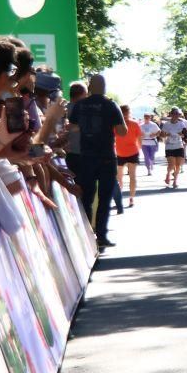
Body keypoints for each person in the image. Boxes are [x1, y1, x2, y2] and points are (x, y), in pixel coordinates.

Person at [68, 74, 126, 248]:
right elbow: (122, 131)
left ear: (90, 87)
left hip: (86, 156)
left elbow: (73, 127)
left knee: (86, 196)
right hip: (106, 156)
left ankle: (87, 235)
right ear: (104, 87)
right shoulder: (110, 105)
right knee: (104, 197)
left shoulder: (80, 105)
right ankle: (101, 235)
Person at [114, 105, 141, 208]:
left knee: (122, 177)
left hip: (123, 153)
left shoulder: (116, 124)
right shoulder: (134, 124)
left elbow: (112, 139)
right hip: (127, 153)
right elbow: (139, 139)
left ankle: (126, 198)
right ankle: (130, 198)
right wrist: (139, 149)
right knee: (128, 176)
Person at [161, 107, 187, 189]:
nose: (176, 115)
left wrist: (182, 135)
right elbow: (161, 135)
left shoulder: (181, 124)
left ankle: (175, 181)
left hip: (179, 145)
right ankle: (168, 174)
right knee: (171, 164)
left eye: (177, 114)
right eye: (174, 114)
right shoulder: (166, 124)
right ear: (171, 114)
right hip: (169, 145)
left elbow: (185, 133)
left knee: (178, 165)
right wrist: (167, 134)